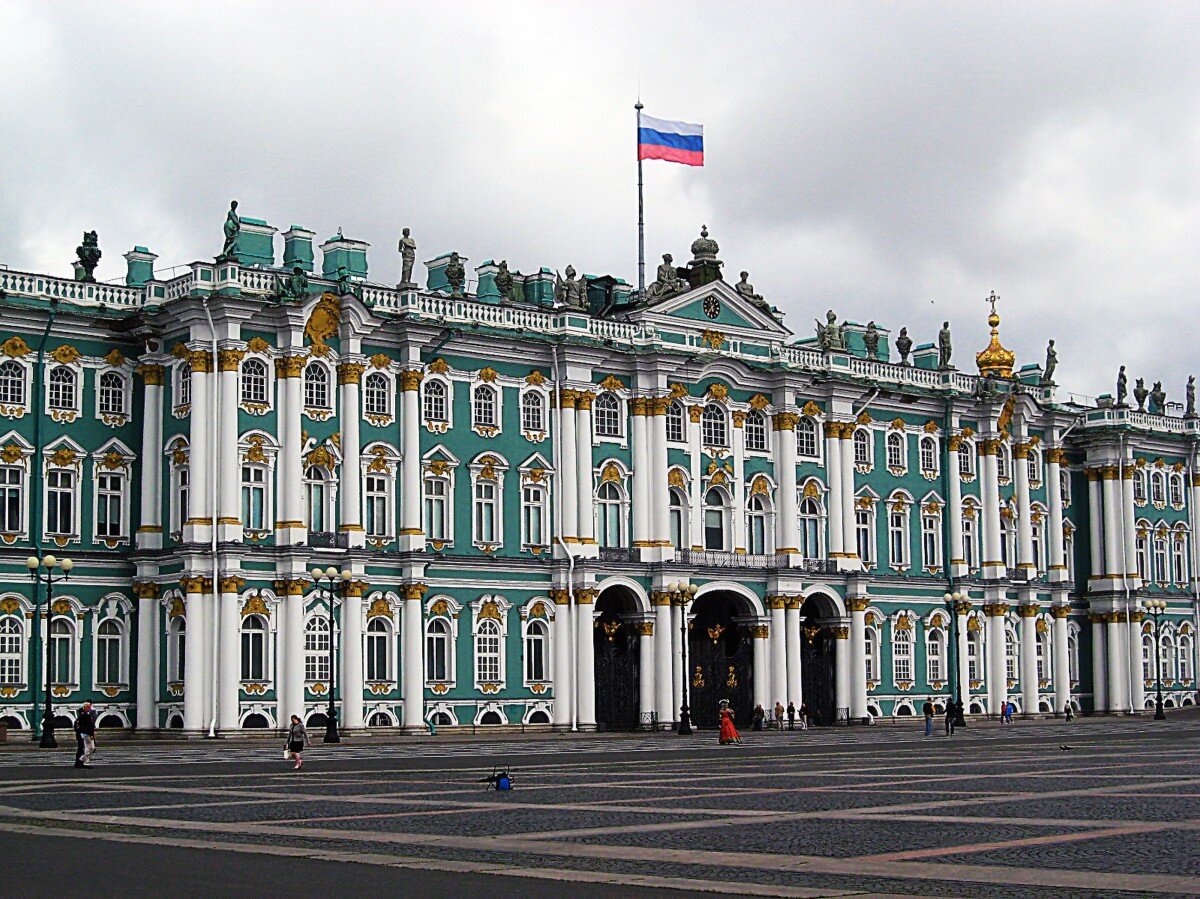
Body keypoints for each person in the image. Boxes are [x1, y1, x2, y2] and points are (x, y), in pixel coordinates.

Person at [73, 701, 96, 768]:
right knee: (88, 748)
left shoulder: (80, 716)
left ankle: (79, 761)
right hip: (85, 734)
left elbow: (76, 725)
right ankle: (82, 761)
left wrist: (78, 732)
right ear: (85, 708)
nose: (89, 708)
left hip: (81, 734)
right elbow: (89, 726)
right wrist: (91, 735)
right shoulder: (86, 716)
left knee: (82, 748)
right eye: (88, 707)